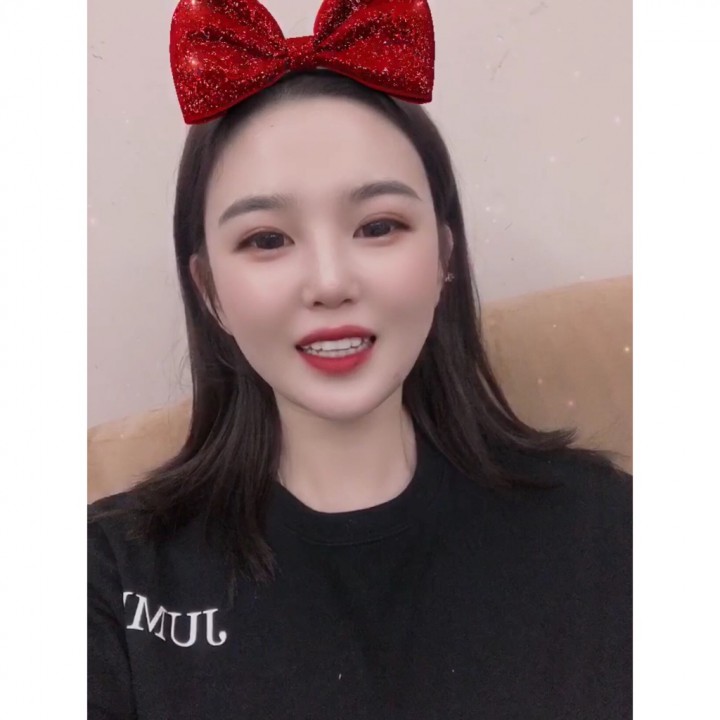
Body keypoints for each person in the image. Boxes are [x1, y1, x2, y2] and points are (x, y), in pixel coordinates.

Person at [88, 1, 632, 718]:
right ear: (210, 290)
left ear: (443, 256)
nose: (330, 282)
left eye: (378, 226)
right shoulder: (106, 577)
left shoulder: (608, 530)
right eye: (266, 239)